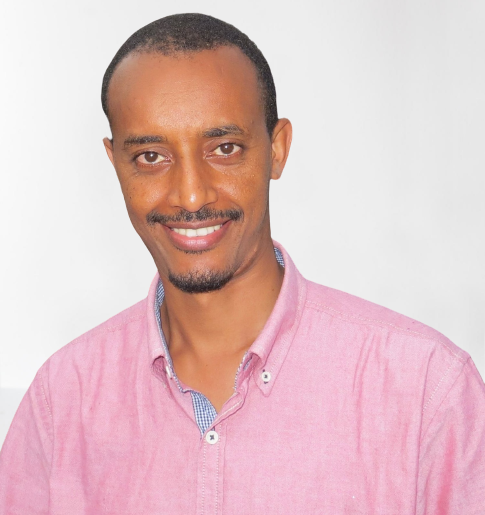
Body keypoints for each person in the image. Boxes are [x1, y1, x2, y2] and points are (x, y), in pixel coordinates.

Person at [0, 12, 484, 514]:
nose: (191, 195)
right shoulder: (62, 401)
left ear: (277, 149)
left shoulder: (427, 392)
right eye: (151, 156)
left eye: (224, 149)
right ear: (116, 163)